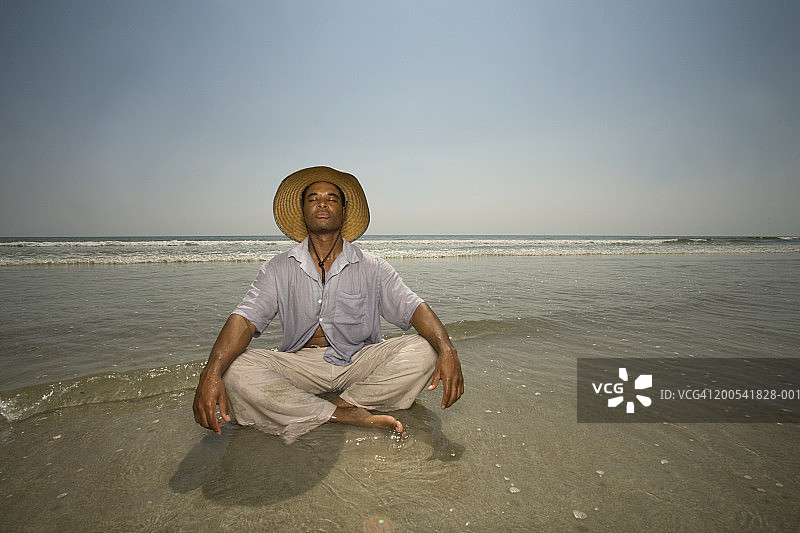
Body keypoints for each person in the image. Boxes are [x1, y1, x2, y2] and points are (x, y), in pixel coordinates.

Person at [193, 166, 464, 442]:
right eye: (313, 198)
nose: (322, 203)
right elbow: (245, 319)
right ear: (303, 210)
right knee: (236, 368)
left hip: (359, 361)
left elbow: (414, 308)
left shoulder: (373, 267)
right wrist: (211, 371)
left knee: (425, 349)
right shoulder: (278, 268)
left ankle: (341, 403)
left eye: (331, 198)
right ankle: (342, 413)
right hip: (301, 364)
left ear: (344, 211)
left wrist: (447, 349)